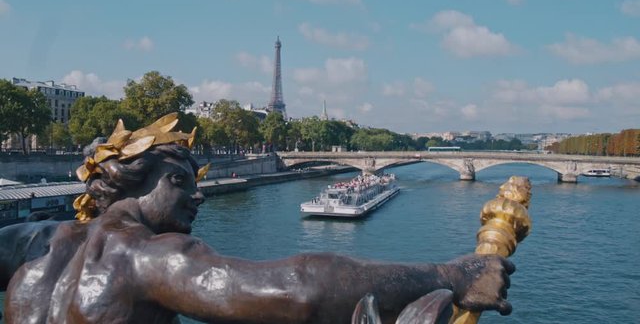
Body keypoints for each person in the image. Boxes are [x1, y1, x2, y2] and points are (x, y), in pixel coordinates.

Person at [4, 113, 514, 324]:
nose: (198, 196)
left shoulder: (33, 241)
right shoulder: (144, 256)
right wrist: (450, 274)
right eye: (182, 180)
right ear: (138, 181)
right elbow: (300, 286)